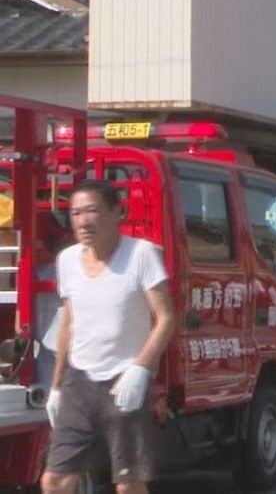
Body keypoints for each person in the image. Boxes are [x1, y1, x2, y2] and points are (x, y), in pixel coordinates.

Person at [42, 180, 176, 494]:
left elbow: (166, 317)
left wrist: (141, 369)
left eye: (92, 211)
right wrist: (57, 386)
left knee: (128, 484)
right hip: (79, 381)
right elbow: (68, 325)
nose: (83, 221)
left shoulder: (140, 254)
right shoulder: (68, 260)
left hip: (123, 380)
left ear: (118, 212)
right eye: (76, 214)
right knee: (55, 479)